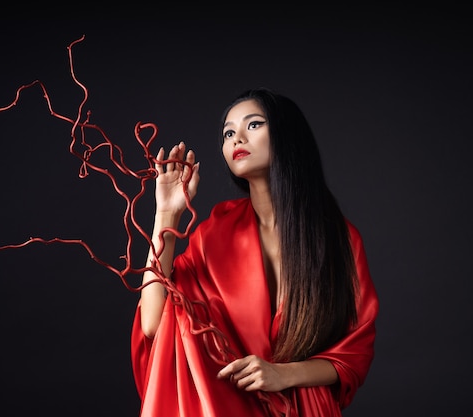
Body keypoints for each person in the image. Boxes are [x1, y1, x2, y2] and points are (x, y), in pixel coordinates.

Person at [130, 87, 379, 417]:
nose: (237, 139)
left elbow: (354, 355)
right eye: (228, 132)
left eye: (254, 125)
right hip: (229, 404)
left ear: (287, 136)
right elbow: (153, 322)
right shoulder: (215, 233)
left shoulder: (339, 238)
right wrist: (166, 215)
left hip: (305, 407)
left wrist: (282, 374)